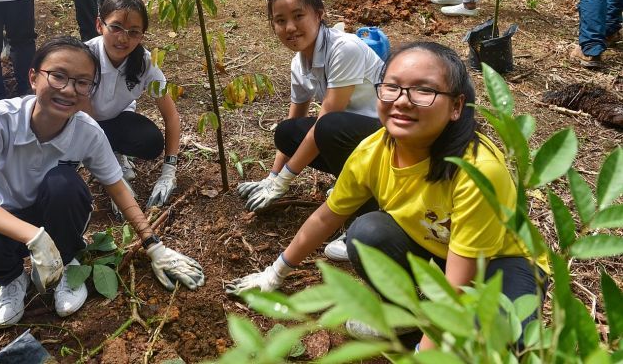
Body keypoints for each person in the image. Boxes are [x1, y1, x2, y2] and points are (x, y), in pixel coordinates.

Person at [227, 42, 548, 348]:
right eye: (391, 86)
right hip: (436, 243)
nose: (402, 100)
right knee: (367, 233)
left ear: (456, 106)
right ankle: (407, 313)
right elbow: (326, 217)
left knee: (505, 340)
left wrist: (426, 353)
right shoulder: (373, 151)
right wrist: (275, 272)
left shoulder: (477, 171)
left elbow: (457, 285)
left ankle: (430, 327)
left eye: (423, 90)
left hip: (501, 260)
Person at [0, 36, 205, 327]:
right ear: (34, 77)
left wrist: (153, 244)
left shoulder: (87, 132)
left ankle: (67, 265)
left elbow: (118, 189)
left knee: (64, 184)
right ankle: (12, 281)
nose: (68, 89)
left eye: (82, 82)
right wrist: (33, 237)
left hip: (56, 217)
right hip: (7, 217)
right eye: (58, 76)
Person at [237, 0, 383, 214]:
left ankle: (364, 205)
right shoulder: (299, 62)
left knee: (328, 126)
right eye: (280, 20)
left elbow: (329, 118)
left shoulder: (344, 49)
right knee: (287, 132)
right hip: (352, 135)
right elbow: (295, 119)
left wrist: (284, 180)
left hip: (387, 136)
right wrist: (273, 177)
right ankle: (354, 183)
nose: (290, 28)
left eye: (298, 16)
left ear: (318, 15)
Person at [85, 0, 182, 209]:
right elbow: (85, 120)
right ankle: (107, 162)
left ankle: (117, 154)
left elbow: (171, 116)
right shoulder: (85, 57)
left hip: (116, 120)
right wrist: (112, 179)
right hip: (82, 125)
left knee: (151, 141)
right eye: (116, 27)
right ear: (100, 25)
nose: (123, 38)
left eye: (133, 32)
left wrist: (169, 172)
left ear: (142, 35)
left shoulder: (145, 63)